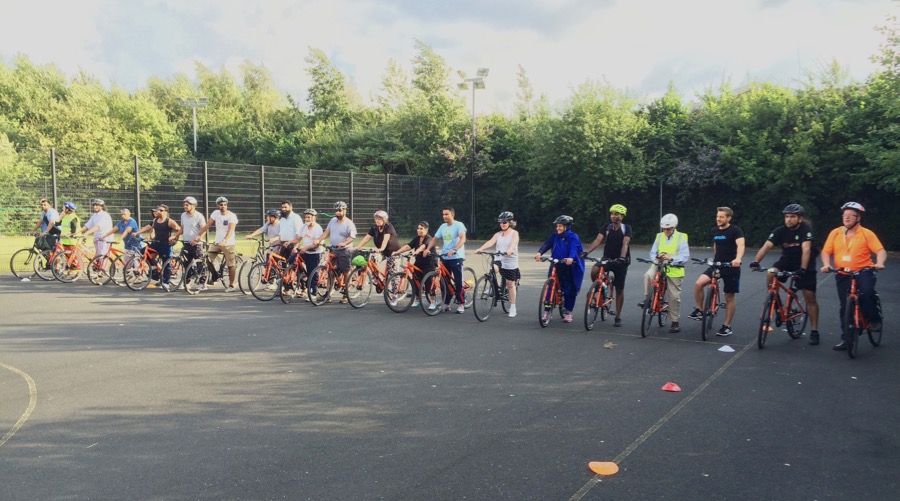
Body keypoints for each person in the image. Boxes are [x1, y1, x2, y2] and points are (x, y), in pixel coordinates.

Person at [819, 201, 887, 351]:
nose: (847, 218)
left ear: (858, 218)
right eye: (845, 215)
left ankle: (874, 320)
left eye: (851, 216)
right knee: (845, 306)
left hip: (863, 271)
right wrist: (826, 264)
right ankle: (846, 338)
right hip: (843, 273)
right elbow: (825, 251)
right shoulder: (835, 233)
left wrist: (880, 263)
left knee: (867, 293)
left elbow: (880, 251)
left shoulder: (867, 234)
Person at [749, 204, 821, 345]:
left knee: (810, 297)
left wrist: (803, 269)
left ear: (800, 218)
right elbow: (766, 246)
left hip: (805, 263)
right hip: (786, 261)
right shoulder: (780, 231)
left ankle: (814, 331)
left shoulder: (805, 230)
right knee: (770, 273)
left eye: (792, 217)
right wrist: (755, 261)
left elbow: (806, 250)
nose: (789, 219)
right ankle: (775, 302)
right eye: (787, 217)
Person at [689, 207, 745, 336]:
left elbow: (741, 245)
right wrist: (715, 259)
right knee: (699, 284)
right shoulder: (714, 230)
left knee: (729, 297)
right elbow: (716, 246)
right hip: (717, 265)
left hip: (731, 267)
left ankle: (727, 326)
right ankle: (700, 309)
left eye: (721, 217)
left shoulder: (735, 230)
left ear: (728, 218)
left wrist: (738, 259)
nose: (718, 219)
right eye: (717, 216)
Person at [639, 213, 690, 333]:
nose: (666, 231)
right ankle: (648, 300)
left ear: (674, 227)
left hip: (674, 268)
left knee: (674, 296)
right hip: (658, 265)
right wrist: (656, 258)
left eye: (668, 229)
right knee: (647, 276)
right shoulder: (659, 236)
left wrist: (671, 258)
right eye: (664, 229)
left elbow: (685, 256)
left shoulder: (682, 237)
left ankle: (675, 322)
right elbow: (652, 252)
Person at [583, 204, 632, 327]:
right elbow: (598, 240)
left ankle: (618, 316)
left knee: (619, 289)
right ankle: (598, 287)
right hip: (607, 259)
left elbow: (625, 243)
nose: (613, 216)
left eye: (616, 214)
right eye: (612, 214)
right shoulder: (607, 227)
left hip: (621, 261)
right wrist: (587, 252)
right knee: (595, 270)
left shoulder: (627, 228)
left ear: (622, 216)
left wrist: (621, 258)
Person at [535, 215, 585, 323]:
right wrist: (539, 252)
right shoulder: (555, 235)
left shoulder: (573, 236)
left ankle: (568, 312)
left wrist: (570, 258)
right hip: (556, 264)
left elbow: (574, 248)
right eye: (557, 226)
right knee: (549, 287)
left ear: (567, 226)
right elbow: (546, 244)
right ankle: (547, 312)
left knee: (569, 289)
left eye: (560, 226)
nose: (558, 228)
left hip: (569, 266)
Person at [474, 211, 520, 318]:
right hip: (499, 258)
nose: (502, 224)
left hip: (510, 260)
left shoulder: (514, 233)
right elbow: (490, 242)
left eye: (505, 222)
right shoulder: (498, 234)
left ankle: (513, 307)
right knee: (493, 269)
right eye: (501, 222)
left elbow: (513, 244)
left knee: (510, 284)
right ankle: (491, 286)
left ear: (510, 223)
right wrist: (481, 248)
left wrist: (509, 250)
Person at [425, 207, 468, 313]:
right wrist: (427, 249)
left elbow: (463, 238)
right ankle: (447, 303)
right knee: (444, 282)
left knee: (458, 281)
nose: (444, 216)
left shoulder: (459, 225)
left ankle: (461, 303)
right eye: (443, 214)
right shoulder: (443, 226)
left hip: (456, 256)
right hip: (445, 256)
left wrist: (454, 249)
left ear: (452, 215)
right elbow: (435, 238)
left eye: (446, 214)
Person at [313, 201, 357, 303]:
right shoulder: (332, 221)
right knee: (330, 272)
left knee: (346, 272)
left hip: (344, 250)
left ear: (345, 211)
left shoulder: (349, 223)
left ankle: (346, 294)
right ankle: (327, 294)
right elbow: (327, 232)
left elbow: (352, 237)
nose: (338, 213)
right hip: (333, 249)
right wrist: (319, 239)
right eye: (336, 211)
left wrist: (344, 243)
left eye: (340, 210)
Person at [193, 196, 238, 292]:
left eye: (225, 204)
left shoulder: (232, 216)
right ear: (217, 206)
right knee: (207, 259)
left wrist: (224, 240)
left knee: (231, 265)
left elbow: (230, 230)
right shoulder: (215, 213)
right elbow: (208, 225)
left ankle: (231, 285)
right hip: (217, 242)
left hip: (228, 244)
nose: (223, 206)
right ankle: (215, 275)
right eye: (221, 205)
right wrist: (199, 235)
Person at [134, 204, 181, 290]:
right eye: (158, 210)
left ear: (166, 212)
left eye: (161, 210)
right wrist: (137, 233)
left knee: (166, 263)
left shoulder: (169, 221)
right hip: (156, 244)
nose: (158, 211)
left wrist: (175, 239)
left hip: (166, 245)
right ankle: (155, 268)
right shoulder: (155, 220)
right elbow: (148, 227)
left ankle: (166, 282)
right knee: (142, 253)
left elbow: (179, 229)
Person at [395, 221, 434, 308]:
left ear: (426, 230)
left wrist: (417, 251)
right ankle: (417, 299)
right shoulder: (417, 239)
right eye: (418, 228)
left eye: (421, 228)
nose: (419, 230)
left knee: (429, 281)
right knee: (415, 279)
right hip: (419, 262)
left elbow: (424, 246)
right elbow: (408, 246)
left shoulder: (429, 238)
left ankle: (433, 301)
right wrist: (397, 252)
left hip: (429, 263)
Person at [171, 196, 208, 288]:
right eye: (184, 204)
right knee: (186, 263)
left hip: (197, 244)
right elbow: (182, 228)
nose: (185, 206)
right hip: (186, 243)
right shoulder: (183, 215)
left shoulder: (199, 216)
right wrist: (174, 235)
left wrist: (197, 239)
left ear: (193, 205)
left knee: (200, 263)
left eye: (187, 204)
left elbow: (204, 230)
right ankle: (186, 282)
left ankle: (202, 283)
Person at [355, 210, 401, 276]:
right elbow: (367, 237)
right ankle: (376, 280)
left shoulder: (388, 226)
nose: (377, 221)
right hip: (383, 252)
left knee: (392, 273)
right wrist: (357, 247)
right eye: (376, 219)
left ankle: (394, 285)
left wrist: (381, 248)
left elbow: (386, 239)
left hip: (393, 252)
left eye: (379, 219)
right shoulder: (374, 227)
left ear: (384, 219)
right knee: (374, 259)